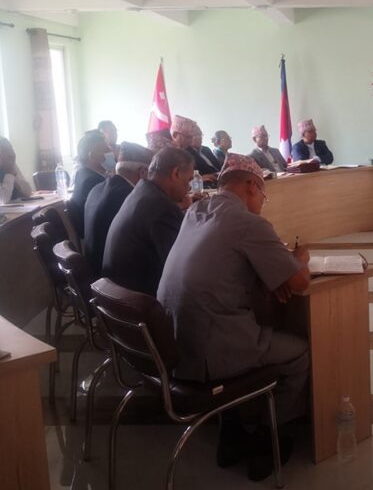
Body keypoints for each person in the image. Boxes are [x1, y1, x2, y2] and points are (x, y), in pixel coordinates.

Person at [158, 153, 310, 480]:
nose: (262, 203)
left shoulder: (196, 211)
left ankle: (232, 431)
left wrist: (269, 276)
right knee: (299, 353)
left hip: (174, 345)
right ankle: (269, 437)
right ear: (252, 185)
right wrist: (298, 260)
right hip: (212, 349)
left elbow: (219, 266)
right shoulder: (248, 223)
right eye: (264, 195)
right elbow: (299, 283)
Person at [102, 147, 194, 295]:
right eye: (188, 180)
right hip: (138, 300)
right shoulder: (160, 207)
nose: (188, 187)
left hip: (117, 292)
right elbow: (182, 264)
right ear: (175, 173)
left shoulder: (142, 191)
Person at [84, 142, 153, 276]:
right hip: (113, 277)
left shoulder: (97, 188)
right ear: (143, 173)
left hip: (94, 268)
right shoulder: (130, 196)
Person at [69, 130, 110, 238]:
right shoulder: (93, 181)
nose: (111, 154)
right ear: (92, 156)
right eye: (106, 151)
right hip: (99, 237)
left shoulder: (81, 172)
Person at [0, 137, 33, 202]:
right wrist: (10, 172)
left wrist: (13, 172)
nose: (10, 153)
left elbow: (28, 192)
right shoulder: (9, 168)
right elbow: (3, 199)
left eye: (10, 149)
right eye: (4, 150)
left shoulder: (10, 165)